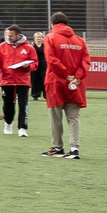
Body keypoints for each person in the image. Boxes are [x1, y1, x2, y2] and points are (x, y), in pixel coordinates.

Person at [42, 12, 89, 159]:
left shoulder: (50, 37)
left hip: (56, 81)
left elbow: (51, 59)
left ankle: (57, 147)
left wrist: (66, 75)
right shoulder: (80, 40)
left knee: (56, 117)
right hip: (76, 84)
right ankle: (74, 148)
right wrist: (76, 77)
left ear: (52, 24)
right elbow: (86, 61)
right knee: (74, 117)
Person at [0, 25, 35, 137]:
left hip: (23, 80)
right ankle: (8, 123)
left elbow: (35, 63)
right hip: (7, 80)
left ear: (18, 35)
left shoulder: (29, 48)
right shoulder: (2, 47)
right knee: (8, 105)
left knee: (23, 104)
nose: (9, 37)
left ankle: (22, 128)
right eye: (7, 35)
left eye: (11, 35)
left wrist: (27, 66)